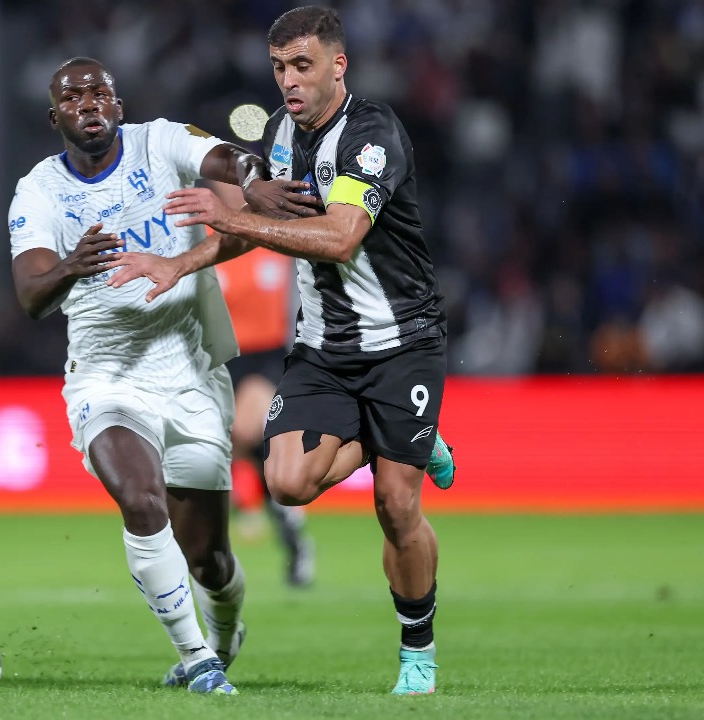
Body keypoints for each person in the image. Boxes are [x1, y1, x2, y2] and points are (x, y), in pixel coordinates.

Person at [104, 7, 456, 695]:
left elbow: (341, 237)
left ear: (337, 65)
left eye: (301, 65)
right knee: (286, 483)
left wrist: (234, 214)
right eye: (278, 68)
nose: (288, 80)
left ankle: (418, 652)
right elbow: (255, 228)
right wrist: (182, 262)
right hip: (323, 347)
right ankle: (397, 437)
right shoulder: (279, 134)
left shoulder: (372, 135)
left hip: (402, 342)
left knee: (395, 506)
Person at [7, 57, 322, 695]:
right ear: (54, 116)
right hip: (106, 378)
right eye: (73, 97)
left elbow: (227, 160)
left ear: (118, 107)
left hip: (191, 373)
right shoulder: (38, 191)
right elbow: (30, 294)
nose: (89, 103)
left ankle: (224, 637)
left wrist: (254, 179)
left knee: (209, 559)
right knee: (140, 499)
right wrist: (70, 266)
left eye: (100, 92)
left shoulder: (159, 142)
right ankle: (197, 658)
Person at [205, 182, 315, 587]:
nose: (232, 192)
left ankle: (250, 507)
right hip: (220, 358)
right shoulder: (205, 236)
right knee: (239, 447)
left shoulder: (274, 230)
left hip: (267, 356)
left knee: (245, 429)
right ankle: (290, 528)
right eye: (224, 185)